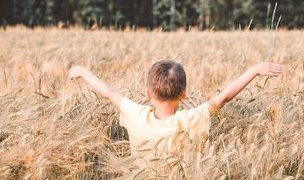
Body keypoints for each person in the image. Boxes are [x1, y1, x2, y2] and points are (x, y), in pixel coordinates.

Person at [68, 60, 284, 157]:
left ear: (148, 93)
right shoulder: (189, 119)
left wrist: (83, 72)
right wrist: (254, 70)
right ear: (184, 94)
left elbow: (109, 93)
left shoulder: (136, 114)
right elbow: (223, 98)